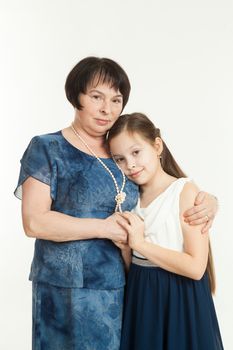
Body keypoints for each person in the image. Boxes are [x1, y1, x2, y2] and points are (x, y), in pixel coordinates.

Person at [14, 57, 218, 350]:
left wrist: (209, 201)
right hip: (65, 288)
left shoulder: (121, 153)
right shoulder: (48, 148)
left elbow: (163, 192)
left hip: (126, 289)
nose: (106, 109)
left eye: (116, 99)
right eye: (96, 96)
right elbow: (34, 222)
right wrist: (105, 228)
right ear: (76, 96)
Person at [108, 112, 224, 350]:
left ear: (157, 145)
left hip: (181, 299)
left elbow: (195, 267)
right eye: (119, 159)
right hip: (142, 298)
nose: (129, 165)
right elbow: (137, 267)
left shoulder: (184, 192)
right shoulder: (129, 197)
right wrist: (128, 251)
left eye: (136, 152)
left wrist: (140, 244)